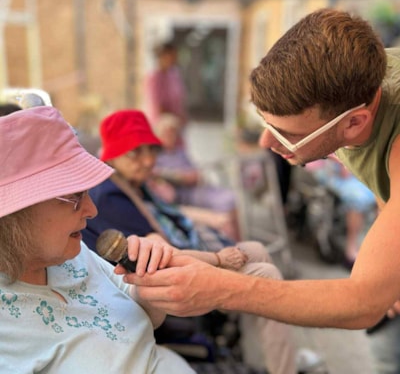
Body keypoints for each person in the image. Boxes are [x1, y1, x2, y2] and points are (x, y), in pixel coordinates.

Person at [126, 8, 400, 374]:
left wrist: (220, 288)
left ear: (353, 123)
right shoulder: (363, 76)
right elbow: (384, 179)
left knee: (387, 348)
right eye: (265, 122)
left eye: (287, 133)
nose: (265, 142)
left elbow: (362, 303)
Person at [82, 108, 322, 374]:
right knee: (266, 275)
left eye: (151, 150)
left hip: (180, 260)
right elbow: (160, 258)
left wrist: (213, 223)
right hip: (163, 283)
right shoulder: (109, 197)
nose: (148, 160)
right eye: (135, 152)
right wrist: (218, 259)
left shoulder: (129, 182)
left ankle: (269, 359)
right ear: (113, 154)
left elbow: (169, 216)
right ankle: (282, 368)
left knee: (256, 250)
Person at [0, 106, 196, 373]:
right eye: (75, 197)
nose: (92, 210)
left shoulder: (73, 253)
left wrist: (147, 281)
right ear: (15, 215)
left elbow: (141, 312)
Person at [151, 112, 242, 242]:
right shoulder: (157, 156)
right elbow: (160, 175)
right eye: (167, 133)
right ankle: (233, 242)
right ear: (158, 134)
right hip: (185, 194)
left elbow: (195, 172)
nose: (171, 136)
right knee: (226, 205)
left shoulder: (180, 152)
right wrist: (182, 177)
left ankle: (238, 241)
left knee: (231, 199)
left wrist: (193, 176)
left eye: (173, 133)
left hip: (198, 187)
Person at [305, 156, 377, 268]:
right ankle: (351, 249)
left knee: (382, 194)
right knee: (358, 197)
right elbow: (345, 171)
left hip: (346, 168)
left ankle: (376, 245)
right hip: (325, 167)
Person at [144, 41, 187, 132]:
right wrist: (175, 117)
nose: (175, 59)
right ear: (163, 56)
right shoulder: (154, 78)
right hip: (161, 126)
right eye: (172, 55)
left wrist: (181, 117)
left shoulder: (174, 75)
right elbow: (157, 105)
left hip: (175, 125)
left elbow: (180, 99)